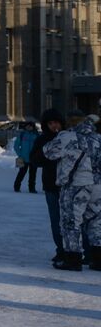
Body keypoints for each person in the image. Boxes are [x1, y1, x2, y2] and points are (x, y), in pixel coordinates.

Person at [42, 115, 101, 271]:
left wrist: (59, 136)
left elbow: (48, 152)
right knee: (96, 221)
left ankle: (72, 258)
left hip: (76, 184)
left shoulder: (68, 136)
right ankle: (98, 258)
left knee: (71, 221)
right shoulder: (98, 138)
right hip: (98, 185)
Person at [33, 109, 66, 264]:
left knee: (75, 220)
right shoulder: (42, 139)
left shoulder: (68, 138)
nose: (54, 126)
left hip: (69, 185)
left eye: (56, 122)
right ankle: (61, 249)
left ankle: (80, 250)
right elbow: (34, 160)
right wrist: (48, 153)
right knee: (56, 220)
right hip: (51, 184)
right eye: (51, 123)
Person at [12, 121, 39, 193]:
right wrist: (20, 154)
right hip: (23, 159)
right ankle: (16, 187)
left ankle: (32, 188)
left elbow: (39, 147)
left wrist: (37, 155)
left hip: (33, 159)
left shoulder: (36, 135)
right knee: (21, 173)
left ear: (33, 127)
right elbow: (16, 146)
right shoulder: (22, 134)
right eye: (27, 126)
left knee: (33, 175)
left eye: (30, 126)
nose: (28, 127)